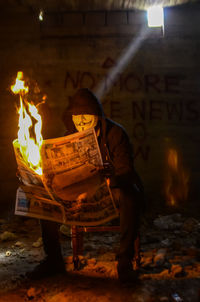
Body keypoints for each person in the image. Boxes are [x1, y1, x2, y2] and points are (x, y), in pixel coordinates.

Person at [28, 88, 145, 284]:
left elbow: (126, 171)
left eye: (87, 116)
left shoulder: (115, 134)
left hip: (111, 189)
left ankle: (124, 262)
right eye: (77, 117)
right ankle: (54, 260)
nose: (81, 121)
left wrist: (109, 177)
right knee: (45, 201)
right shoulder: (69, 136)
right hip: (78, 193)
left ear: (97, 116)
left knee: (130, 196)